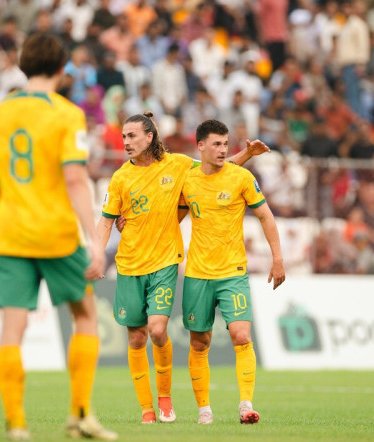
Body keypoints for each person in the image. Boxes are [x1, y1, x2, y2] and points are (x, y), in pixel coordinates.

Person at [0, 33, 116, 442]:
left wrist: (9, 206)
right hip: (56, 235)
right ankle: (79, 415)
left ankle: (17, 423)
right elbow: (75, 179)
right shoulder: (67, 114)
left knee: (11, 328)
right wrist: (94, 239)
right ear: (62, 69)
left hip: (9, 234)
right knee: (85, 316)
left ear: (23, 66)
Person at [96, 112, 268, 424]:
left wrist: (247, 154)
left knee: (158, 329)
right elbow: (107, 221)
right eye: (123, 137)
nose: (125, 142)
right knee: (136, 339)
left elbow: (215, 168)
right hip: (130, 263)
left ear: (149, 137)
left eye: (132, 136)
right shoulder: (120, 177)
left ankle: (165, 399)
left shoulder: (177, 165)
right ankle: (147, 409)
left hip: (164, 262)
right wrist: (98, 254)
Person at [178, 119, 285, 425]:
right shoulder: (188, 180)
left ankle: (246, 405)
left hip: (233, 272)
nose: (223, 150)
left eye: (226, 144)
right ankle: (204, 411)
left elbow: (265, 215)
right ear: (201, 146)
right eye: (216, 144)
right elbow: (170, 218)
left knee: (241, 335)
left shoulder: (241, 177)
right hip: (198, 273)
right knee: (199, 342)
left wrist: (277, 257)